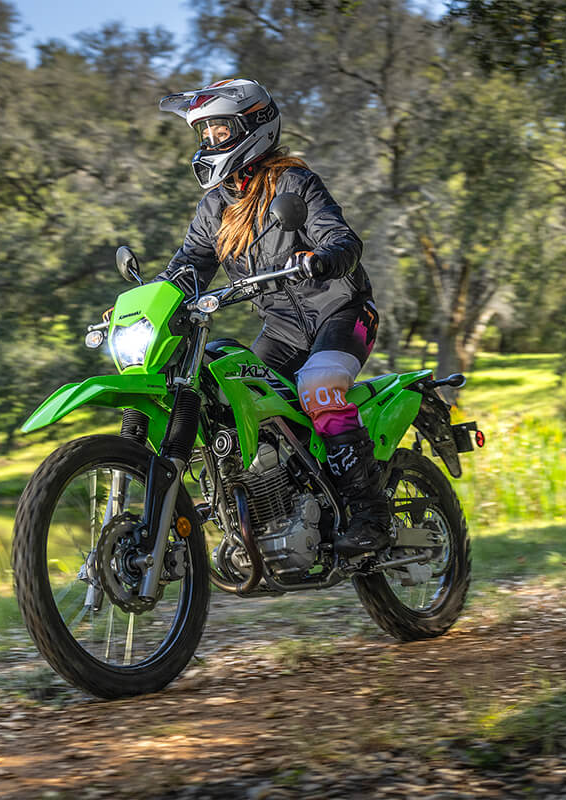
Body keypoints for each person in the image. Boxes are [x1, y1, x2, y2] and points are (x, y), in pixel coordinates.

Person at [157, 78, 390, 557]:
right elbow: (185, 270)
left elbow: (341, 237)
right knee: (229, 393)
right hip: (282, 331)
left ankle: (370, 515)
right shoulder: (214, 209)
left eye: (218, 132)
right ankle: (277, 506)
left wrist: (325, 257)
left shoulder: (294, 183)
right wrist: (150, 300)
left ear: (252, 126)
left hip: (341, 311)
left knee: (319, 386)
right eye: (204, 135)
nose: (209, 144)